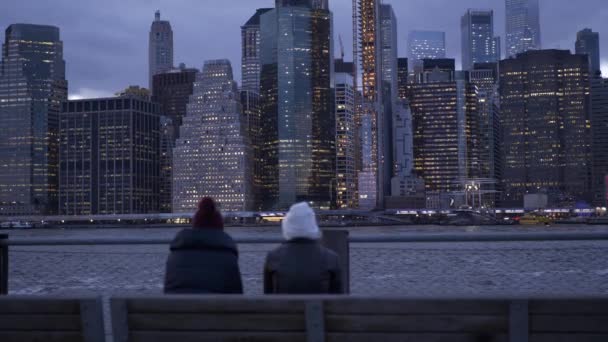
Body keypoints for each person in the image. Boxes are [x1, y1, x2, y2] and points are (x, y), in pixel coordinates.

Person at [164, 198, 243, 294]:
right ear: (219, 229)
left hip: (177, 308)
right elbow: (236, 296)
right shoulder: (228, 257)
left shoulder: (174, 256)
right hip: (215, 307)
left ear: (195, 226)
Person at [264, 202, 343, 294]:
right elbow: (337, 296)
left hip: (284, 308)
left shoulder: (273, 257)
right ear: (313, 225)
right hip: (318, 308)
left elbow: (268, 295)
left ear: (287, 225)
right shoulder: (332, 258)